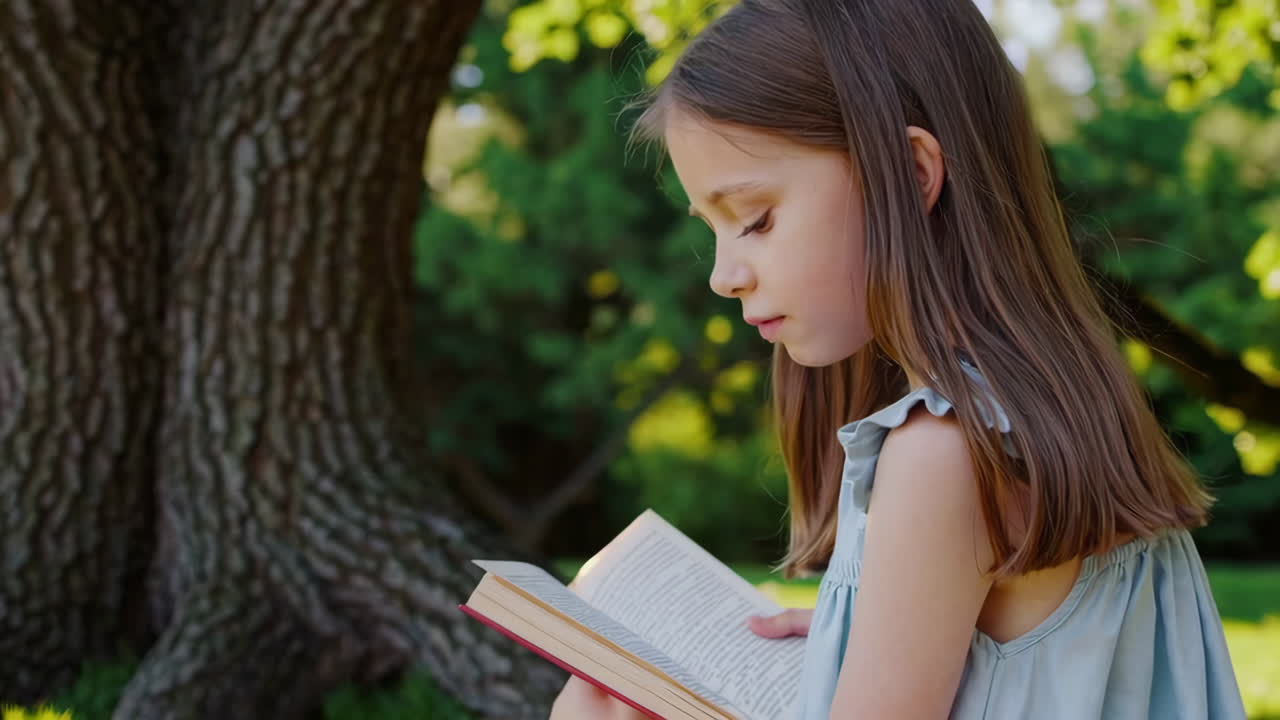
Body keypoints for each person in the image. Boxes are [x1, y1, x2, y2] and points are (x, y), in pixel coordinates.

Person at [549, 0, 1247, 717]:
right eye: (715, 231)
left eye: (755, 219)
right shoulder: (1043, 415)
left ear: (912, 175)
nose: (724, 276)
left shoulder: (943, 456)